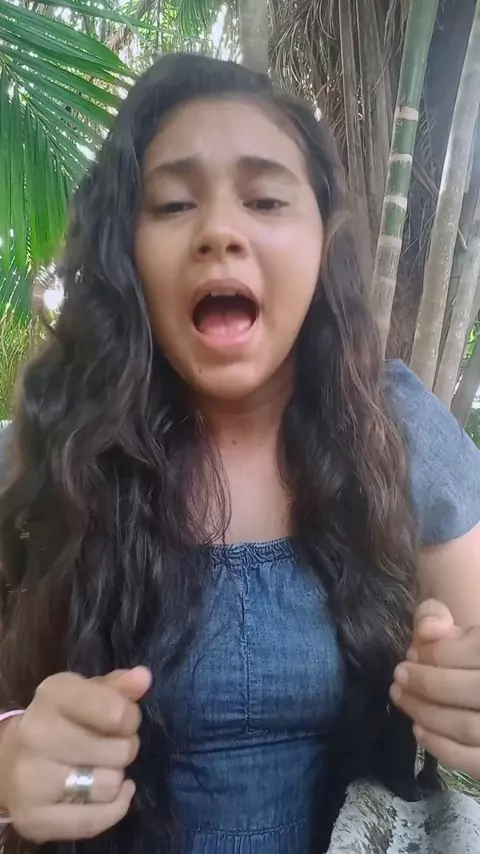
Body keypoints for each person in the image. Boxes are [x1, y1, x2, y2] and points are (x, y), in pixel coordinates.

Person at [1, 52, 480, 854]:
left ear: (323, 244)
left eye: (264, 200)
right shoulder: (44, 453)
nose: (220, 233)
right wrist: (13, 762)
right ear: (126, 251)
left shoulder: (399, 430)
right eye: (174, 204)